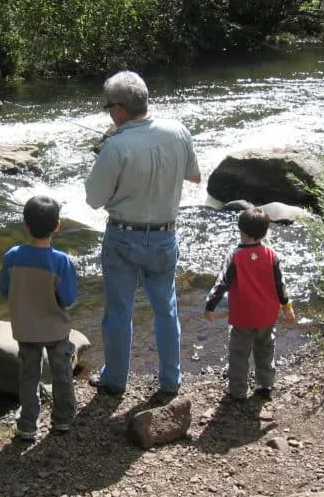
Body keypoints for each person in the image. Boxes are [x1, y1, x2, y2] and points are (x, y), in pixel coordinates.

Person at [85, 70, 201, 396]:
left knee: (119, 311)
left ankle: (115, 380)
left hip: (123, 236)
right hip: (165, 236)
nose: (109, 113)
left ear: (119, 109)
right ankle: (170, 380)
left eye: (109, 107)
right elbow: (194, 176)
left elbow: (93, 200)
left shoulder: (115, 146)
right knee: (166, 308)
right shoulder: (179, 132)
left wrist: (105, 157)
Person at [0, 195, 78, 441]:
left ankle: (27, 425)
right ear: (57, 226)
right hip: (55, 330)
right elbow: (67, 299)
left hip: (25, 329)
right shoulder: (61, 261)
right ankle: (63, 419)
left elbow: (5, 290)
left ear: (26, 225)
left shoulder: (12, 256)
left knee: (29, 376)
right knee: (62, 374)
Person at [203, 206, 296, 401]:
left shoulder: (235, 256)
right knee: (265, 348)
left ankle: (237, 390)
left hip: (243, 316)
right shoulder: (272, 255)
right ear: (264, 232)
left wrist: (210, 305)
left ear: (242, 232)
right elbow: (281, 284)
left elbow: (222, 283)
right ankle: (265, 385)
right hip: (266, 315)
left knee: (238, 352)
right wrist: (287, 307)